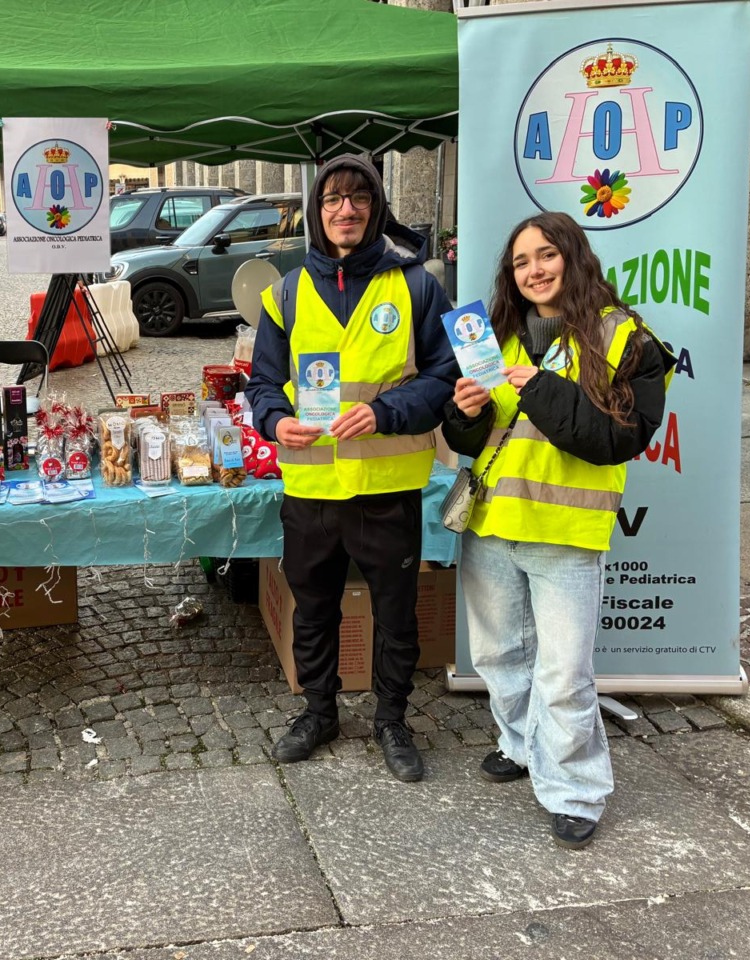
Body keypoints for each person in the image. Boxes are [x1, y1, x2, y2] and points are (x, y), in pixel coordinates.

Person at [441, 211, 674, 849]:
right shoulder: (497, 334)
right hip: (491, 525)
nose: (534, 271)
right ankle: (519, 745)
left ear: (573, 257)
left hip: (566, 533)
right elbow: (474, 437)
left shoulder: (623, 336)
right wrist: (463, 412)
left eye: (546, 256)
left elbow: (618, 437)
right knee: (498, 656)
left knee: (564, 673)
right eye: (520, 262)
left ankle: (575, 792)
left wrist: (541, 386)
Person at [246, 154, 457, 782]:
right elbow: (262, 382)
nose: (346, 209)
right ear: (316, 211)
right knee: (313, 610)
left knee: (395, 611)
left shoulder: (417, 285)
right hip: (310, 485)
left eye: (359, 198)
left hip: (388, 488)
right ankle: (319, 711)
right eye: (333, 199)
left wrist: (386, 412)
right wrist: (274, 420)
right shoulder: (284, 292)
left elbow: (445, 377)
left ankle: (391, 719)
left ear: (377, 209)